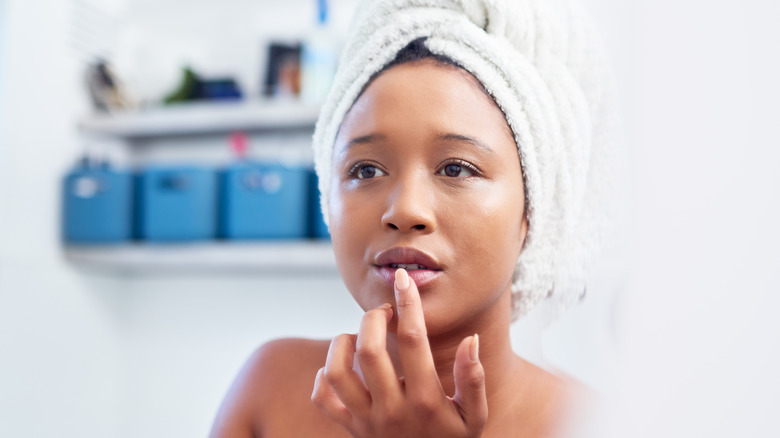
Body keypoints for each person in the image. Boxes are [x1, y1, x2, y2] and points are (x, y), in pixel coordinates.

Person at [210, 0, 614, 437]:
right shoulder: (271, 391)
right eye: (366, 170)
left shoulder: (600, 426)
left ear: (532, 212)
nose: (404, 210)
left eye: (456, 168)